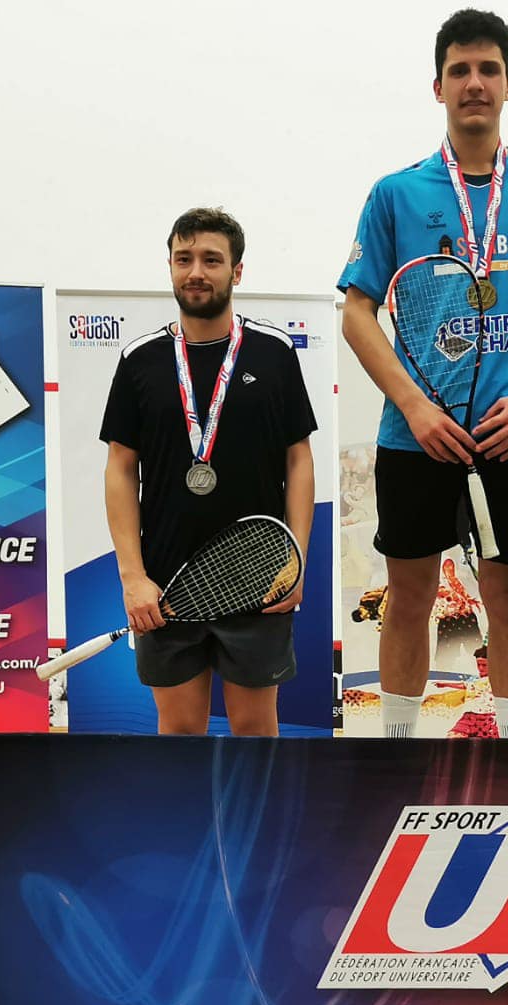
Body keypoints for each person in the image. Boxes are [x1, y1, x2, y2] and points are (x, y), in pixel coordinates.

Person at [339, 7, 508, 739]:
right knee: (410, 597)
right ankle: (396, 754)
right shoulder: (397, 192)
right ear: (438, 87)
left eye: (488, 69)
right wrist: (416, 408)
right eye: (460, 70)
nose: (475, 83)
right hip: (415, 436)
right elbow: (357, 312)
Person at [100, 207, 316, 735]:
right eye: (184, 258)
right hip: (166, 585)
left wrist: (295, 562)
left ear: (236, 271)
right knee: (177, 735)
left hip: (258, 582)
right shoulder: (139, 360)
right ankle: (184, 821)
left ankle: (254, 823)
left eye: (211, 259)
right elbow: (120, 470)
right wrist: (134, 579)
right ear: (170, 266)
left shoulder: (274, 352)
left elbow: (299, 460)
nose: (196, 271)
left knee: (256, 731)